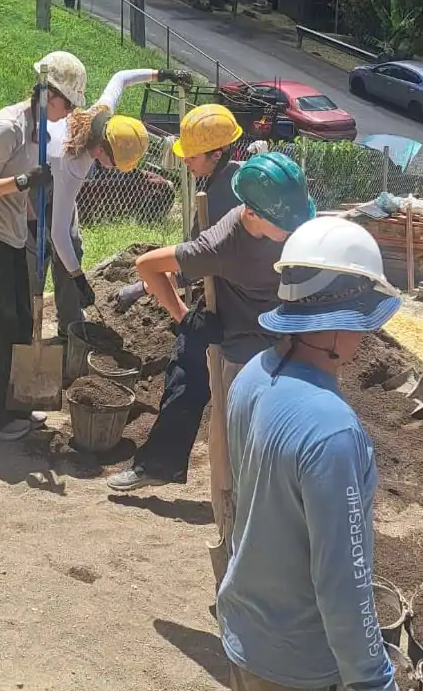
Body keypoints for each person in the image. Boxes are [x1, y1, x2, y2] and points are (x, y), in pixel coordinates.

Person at [219, 216, 408, 691]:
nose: (367, 336)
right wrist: (376, 688)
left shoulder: (252, 378)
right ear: (335, 324)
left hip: (247, 637)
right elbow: (344, 585)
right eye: (363, 321)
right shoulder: (332, 432)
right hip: (304, 670)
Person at [112, 152, 315, 581]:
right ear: (254, 214)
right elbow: (147, 266)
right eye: (285, 224)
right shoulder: (222, 244)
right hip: (242, 364)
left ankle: (280, 536)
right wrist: (185, 317)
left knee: (284, 453)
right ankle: (237, 542)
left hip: (287, 348)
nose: (294, 230)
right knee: (234, 459)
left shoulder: (289, 222)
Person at [106, 103, 249, 494]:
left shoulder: (224, 197)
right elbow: (194, 257)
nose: (186, 161)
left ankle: (170, 467)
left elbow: (196, 261)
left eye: (193, 155)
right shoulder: (225, 181)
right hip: (225, 299)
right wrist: (146, 287)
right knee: (188, 376)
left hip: (235, 307)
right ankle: (161, 464)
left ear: (217, 152)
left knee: (194, 382)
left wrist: (150, 287)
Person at [0, 51, 86, 444]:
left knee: (19, 325)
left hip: (11, 238)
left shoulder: (38, 130)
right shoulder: (6, 127)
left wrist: (38, 225)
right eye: (68, 104)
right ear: (49, 93)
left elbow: (27, 196)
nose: (69, 113)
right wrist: (23, 182)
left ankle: (14, 406)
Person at [41, 65, 194, 319]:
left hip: (57, 176)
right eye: (116, 163)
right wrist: (79, 278)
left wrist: (162, 74)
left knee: (72, 248)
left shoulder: (101, 118)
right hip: (36, 183)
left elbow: (121, 78)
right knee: (41, 252)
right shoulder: (74, 165)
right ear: (102, 150)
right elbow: (58, 232)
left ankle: (69, 320)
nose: (115, 168)